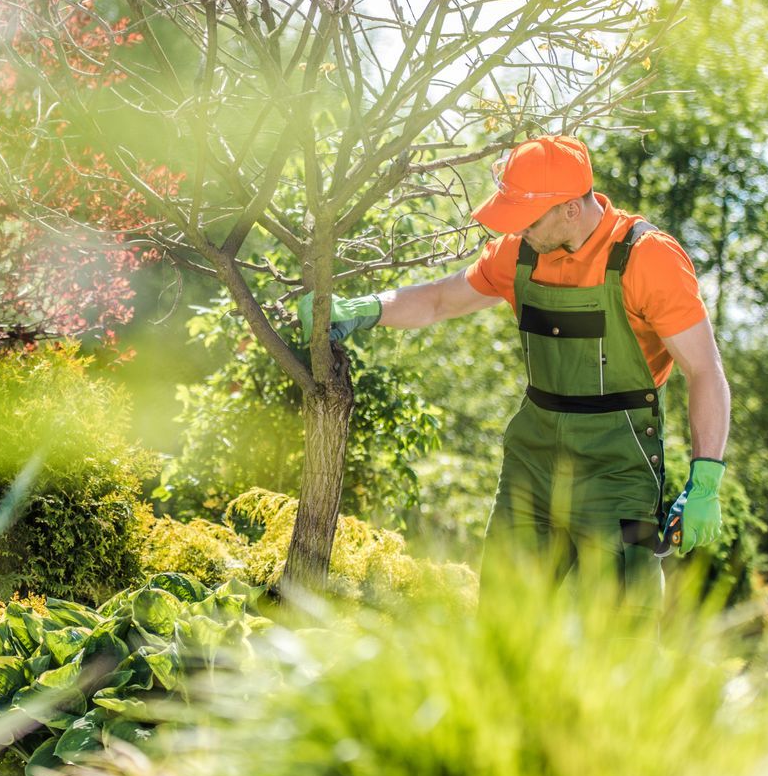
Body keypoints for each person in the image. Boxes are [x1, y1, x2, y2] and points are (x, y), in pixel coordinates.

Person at [298, 134, 731, 606]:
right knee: (503, 624)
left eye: (527, 218)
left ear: (570, 209)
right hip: (532, 464)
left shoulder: (646, 258)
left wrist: (705, 478)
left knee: (623, 635)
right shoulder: (519, 253)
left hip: (619, 474)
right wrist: (365, 308)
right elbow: (440, 300)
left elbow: (704, 369)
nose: (516, 229)